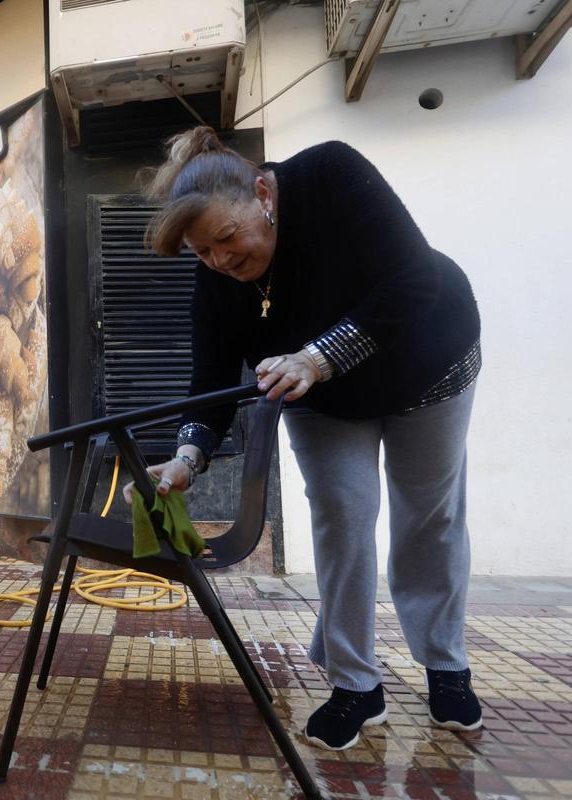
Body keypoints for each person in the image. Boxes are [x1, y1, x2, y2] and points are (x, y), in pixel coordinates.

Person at [123, 127, 482, 751]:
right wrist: (185, 457)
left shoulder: (329, 175)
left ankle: (445, 665)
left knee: (430, 517)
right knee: (342, 516)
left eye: (228, 239)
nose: (221, 262)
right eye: (202, 252)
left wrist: (317, 356)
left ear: (263, 192)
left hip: (429, 363)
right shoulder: (217, 277)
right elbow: (210, 378)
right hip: (321, 397)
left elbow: (415, 279)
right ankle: (354, 685)